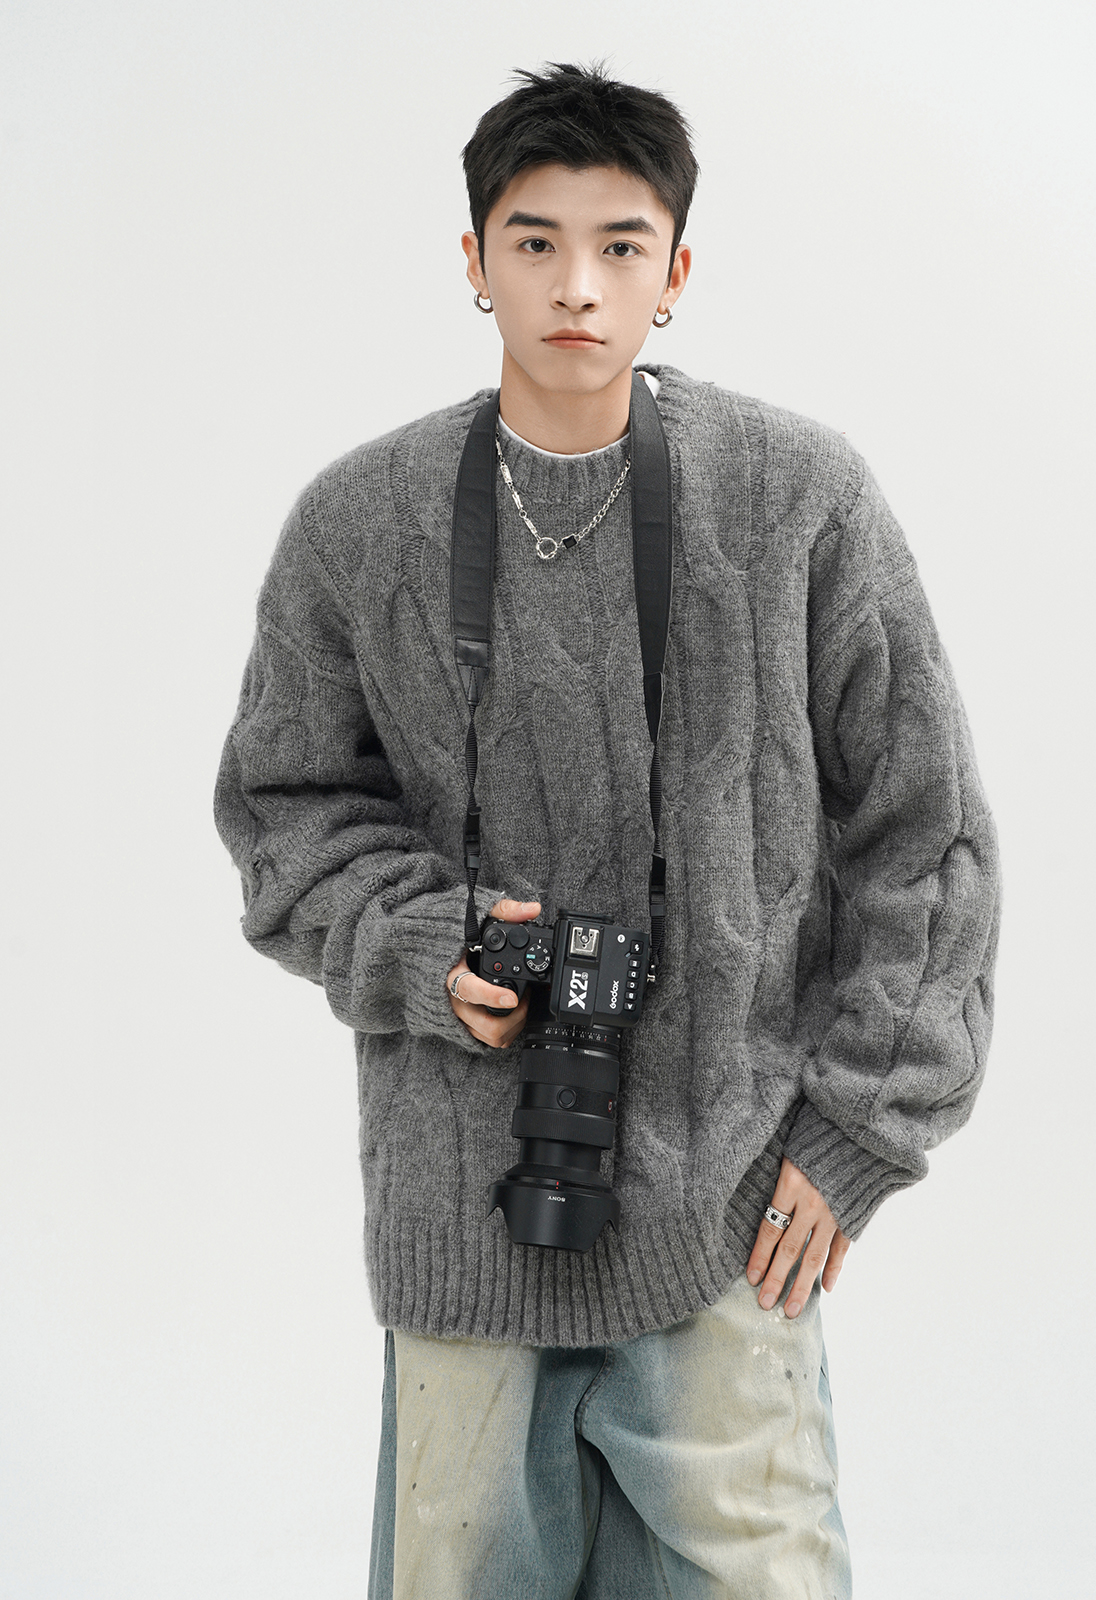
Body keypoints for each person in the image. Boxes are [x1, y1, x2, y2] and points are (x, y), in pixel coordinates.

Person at [214, 59, 1001, 1600]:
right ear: (475, 260)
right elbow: (282, 809)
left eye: (621, 244)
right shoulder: (358, 521)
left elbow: (932, 828)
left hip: (730, 1205)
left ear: (676, 272)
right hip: (460, 1211)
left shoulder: (798, 498)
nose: (577, 284)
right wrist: (434, 947)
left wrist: (858, 1130)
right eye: (536, 241)